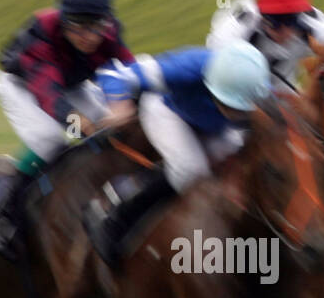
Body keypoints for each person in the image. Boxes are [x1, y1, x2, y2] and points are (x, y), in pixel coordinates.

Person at [83, 40, 273, 268]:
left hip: (213, 126)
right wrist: (119, 105)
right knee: (191, 170)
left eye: (241, 109)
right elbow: (114, 73)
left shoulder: (255, 86)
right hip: (167, 111)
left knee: (233, 163)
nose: (235, 113)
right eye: (229, 104)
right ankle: (112, 204)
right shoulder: (189, 66)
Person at [207, 0, 324, 229]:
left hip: (283, 86)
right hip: (236, 84)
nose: (284, 32)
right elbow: (219, 71)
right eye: (276, 23)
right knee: (236, 138)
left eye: (292, 23)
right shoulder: (232, 31)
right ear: (262, 17)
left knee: (310, 131)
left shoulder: (320, 30)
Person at [0, 0, 135, 251]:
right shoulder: (43, 35)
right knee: (50, 139)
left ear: (107, 21)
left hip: (70, 82)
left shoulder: (111, 32)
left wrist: (129, 104)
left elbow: (127, 72)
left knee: (111, 125)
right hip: (22, 83)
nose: (89, 37)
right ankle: (2, 212)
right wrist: (76, 122)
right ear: (63, 21)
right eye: (78, 27)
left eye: (96, 27)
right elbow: (49, 94)